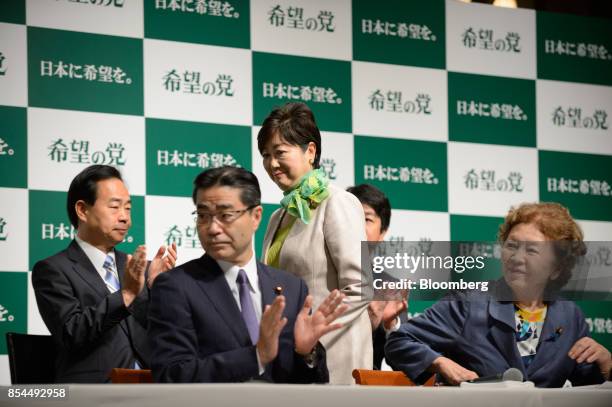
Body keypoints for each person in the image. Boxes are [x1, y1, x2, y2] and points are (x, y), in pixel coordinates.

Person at [148, 166, 347, 383]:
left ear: (256, 216)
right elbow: (172, 376)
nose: (212, 228)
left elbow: (310, 386)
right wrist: (256, 356)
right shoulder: (175, 286)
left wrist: (305, 352)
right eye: (203, 215)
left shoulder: (292, 288)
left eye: (225, 215)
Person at [385, 202, 611, 387]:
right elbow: (399, 342)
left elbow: (587, 384)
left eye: (531, 250)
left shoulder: (570, 316)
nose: (516, 257)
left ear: (557, 268)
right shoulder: (468, 303)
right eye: (512, 246)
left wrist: (607, 365)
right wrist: (440, 362)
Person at [258, 102, 372, 384]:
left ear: (310, 151)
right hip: (289, 359)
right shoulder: (277, 216)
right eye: (266, 155)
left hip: (334, 358)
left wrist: (314, 334)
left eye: (280, 153)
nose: (272, 164)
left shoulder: (337, 202)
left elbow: (360, 286)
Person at [32, 165, 177, 383]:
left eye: (128, 208)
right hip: (94, 391)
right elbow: (72, 334)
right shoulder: (53, 270)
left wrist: (157, 289)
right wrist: (126, 294)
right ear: (82, 210)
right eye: (115, 207)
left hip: (153, 384)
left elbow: (165, 336)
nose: (125, 218)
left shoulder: (138, 269)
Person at [347, 184, 407, 370]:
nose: (357, 224)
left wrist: (390, 324)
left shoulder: (389, 286)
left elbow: (402, 357)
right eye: (351, 215)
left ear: (382, 232)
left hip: (366, 388)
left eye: (366, 218)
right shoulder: (316, 271)